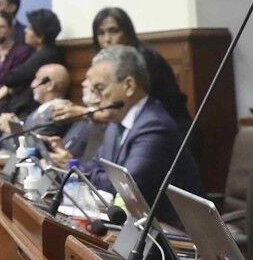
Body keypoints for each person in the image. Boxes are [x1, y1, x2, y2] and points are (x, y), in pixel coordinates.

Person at [60, 44, 202, 224]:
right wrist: (80, 169)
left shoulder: (154, 126)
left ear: (128, 85)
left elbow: (126, 186)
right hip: (136, 225)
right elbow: (96, 165)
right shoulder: (117, 121)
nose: (95, 98)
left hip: (175, 235)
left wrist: (76, 169)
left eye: (100, 88)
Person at [90, 7, 192, 136]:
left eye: (114, 31)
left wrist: (84, 113)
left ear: (127, 33)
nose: (107, 39)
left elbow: (124, 107)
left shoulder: (141, 59)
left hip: (169, 131)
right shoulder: (106, 63)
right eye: (100, 33)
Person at [0, 8, 62, 124]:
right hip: (15, 104)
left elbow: (11, 78)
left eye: (30, 28)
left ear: (40, 36)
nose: (25, 30)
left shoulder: (41, 54)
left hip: (24, 107)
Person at [0, 63, 71, 136]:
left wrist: (12, 129)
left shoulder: (59, 113)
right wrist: (15, 123)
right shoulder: (44, 109)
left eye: (37, 79)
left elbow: (36, 146)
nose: (32, 84)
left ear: (49, 85)